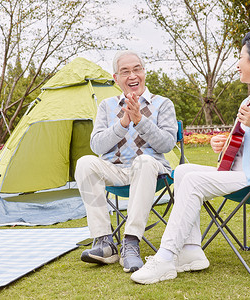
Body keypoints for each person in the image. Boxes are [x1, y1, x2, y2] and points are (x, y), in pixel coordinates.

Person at [131, 30, 250, 284]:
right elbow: (242, 146)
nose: (237, 64)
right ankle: (191, 251)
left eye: (241, 57)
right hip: (243, 174)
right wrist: (221, 145)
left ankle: (166, 257)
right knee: (183, 171)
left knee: (192, 181)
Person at [75, 50, 178, 273]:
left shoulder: (163, 104)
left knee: (145, 161)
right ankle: (104, 241)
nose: (132, 75)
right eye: (125, 71)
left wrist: (141, 121)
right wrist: (122, 124)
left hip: (153, 171)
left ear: (144, 72)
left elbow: (167, 144)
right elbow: (97, 146)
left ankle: (130, 242)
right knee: (84, 162)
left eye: (137, 69)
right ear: (116, 78)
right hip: (116, 169)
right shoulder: (106, 106)